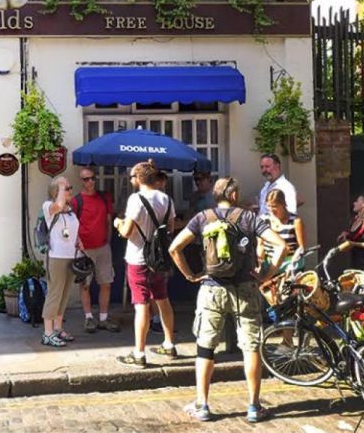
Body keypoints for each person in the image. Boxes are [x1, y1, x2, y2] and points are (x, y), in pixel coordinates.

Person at [169, 177, 287, 423]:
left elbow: (174, 248)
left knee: (205, 347)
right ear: (233, 196)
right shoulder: (249, 218)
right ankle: (254, 406)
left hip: (211, 289)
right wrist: (266, 274)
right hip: (245, 288)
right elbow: (281, 245)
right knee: (251, 346)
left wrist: (191, 275)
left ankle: (202, 404)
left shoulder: (202, 218)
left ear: (216, 196)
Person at [112, 160, 177, 368]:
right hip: (158, 259)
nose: (131, 180)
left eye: (132, 176)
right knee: (163, 299)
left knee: (141, 305)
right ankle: (169, 344)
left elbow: (126, 231)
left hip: (138, 258)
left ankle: (139, 354)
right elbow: (170, 228)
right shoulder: (166, 199)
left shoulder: (135, 199)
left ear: (139, 178)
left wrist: (117, 223)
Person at [71, 167, 119, 334]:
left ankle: (104, 318)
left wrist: (108, 239)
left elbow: (108, 219)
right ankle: (89, 317)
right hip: (85, 250)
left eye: (92, 178)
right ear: (81, 181)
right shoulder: (77, 201)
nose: (90, 181)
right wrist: (78, 243)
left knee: (106, 282)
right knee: (85, 284)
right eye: (86, 179)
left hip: (103, 246)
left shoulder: (104, 198)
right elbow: (72, 224)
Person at [41, 175, 80, 347]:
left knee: (64, 294)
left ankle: (58, 327)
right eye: (66, 188)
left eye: (70, 188)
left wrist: (79, 241)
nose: (70, 191)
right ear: (57, 191)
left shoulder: (70, 210)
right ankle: (47, 332)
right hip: (56, 256)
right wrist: (61, 188)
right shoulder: (49, 206)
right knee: (54, 293)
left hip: (71, 255)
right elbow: (58, 206)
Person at [258, 189, 306, 306]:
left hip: (290, 266)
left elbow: (301, 247)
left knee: (288, 301)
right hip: (270, 266)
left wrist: (292, 265)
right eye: (269, 206)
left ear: (283, 204)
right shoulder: (264, 220)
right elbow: (260, 245)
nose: (271, 210)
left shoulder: (295, 221)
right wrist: (259, 262)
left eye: (274, 206)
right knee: (270, 301)